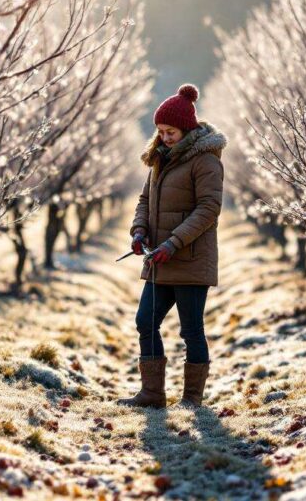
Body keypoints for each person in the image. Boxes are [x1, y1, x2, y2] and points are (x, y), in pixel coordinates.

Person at [117, 83, 226, 409]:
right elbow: (145, 200)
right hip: (160, 258)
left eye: (170, 131)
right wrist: (139, 231)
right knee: (145, 321)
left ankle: (192, 400)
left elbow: (208, 209)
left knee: (191, 330)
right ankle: (152, 394)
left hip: (189, 257)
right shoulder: (160, 160)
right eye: (161, 131)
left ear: (187, 129)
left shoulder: (205, 162)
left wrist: (174, 242)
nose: (164, 137)